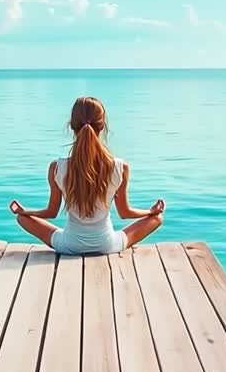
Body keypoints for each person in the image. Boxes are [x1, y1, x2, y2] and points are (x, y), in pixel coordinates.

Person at [9, 96, 165, 255]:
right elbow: (125, 213)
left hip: (69, 246)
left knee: (22, 219)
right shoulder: (120, 167)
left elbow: (51, 212)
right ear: (103, 126)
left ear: (71, 126)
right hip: (107, 245)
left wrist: (25, 212)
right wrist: (150, 212)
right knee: (157, 219)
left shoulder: (57, 168)